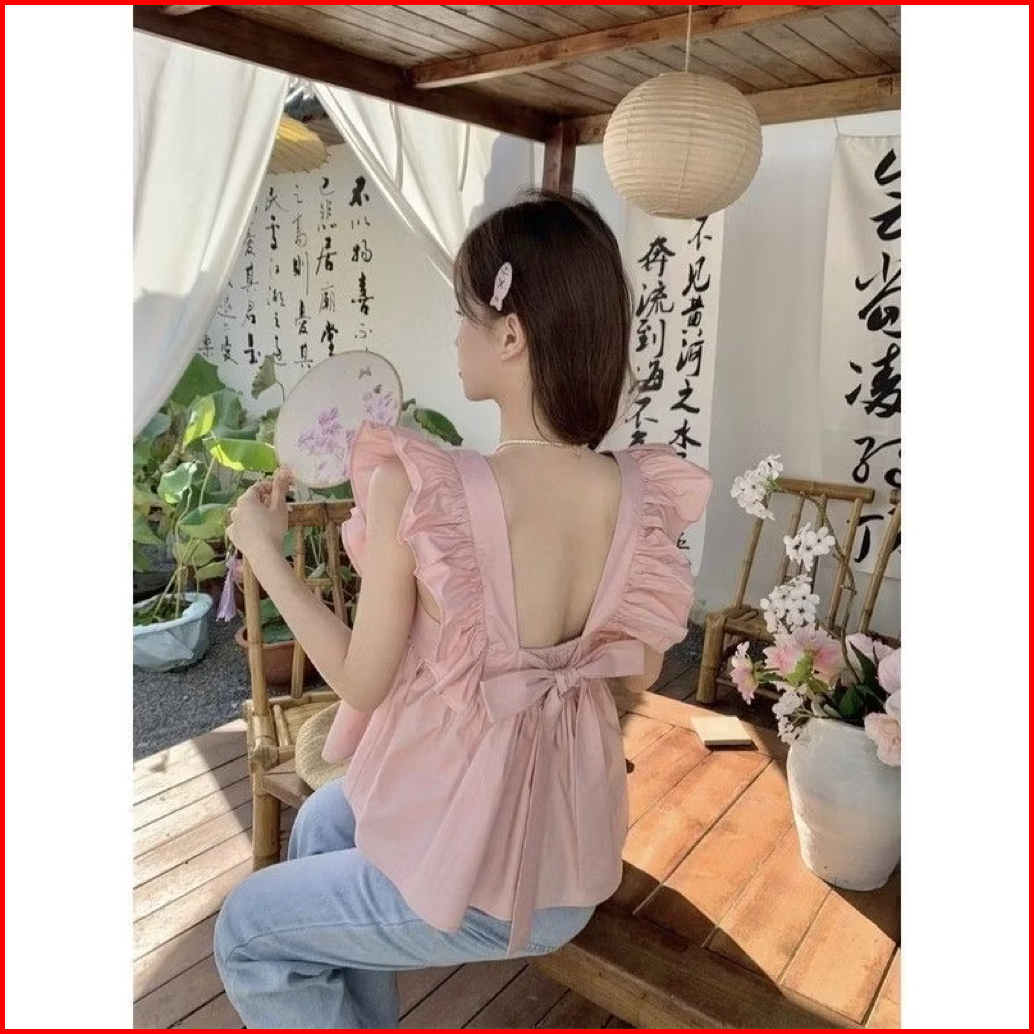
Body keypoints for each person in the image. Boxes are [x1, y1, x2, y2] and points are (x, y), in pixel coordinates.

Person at [214, 190, 712, 1028]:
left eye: (463, 313)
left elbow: (361, 683)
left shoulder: (423, 487)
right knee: (327, 820)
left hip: (490, 878)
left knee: (245, 932)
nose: (455, 335)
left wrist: (264, 552)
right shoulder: (637, 494)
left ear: (510, 335)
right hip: (573, 852)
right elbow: (639, 674)